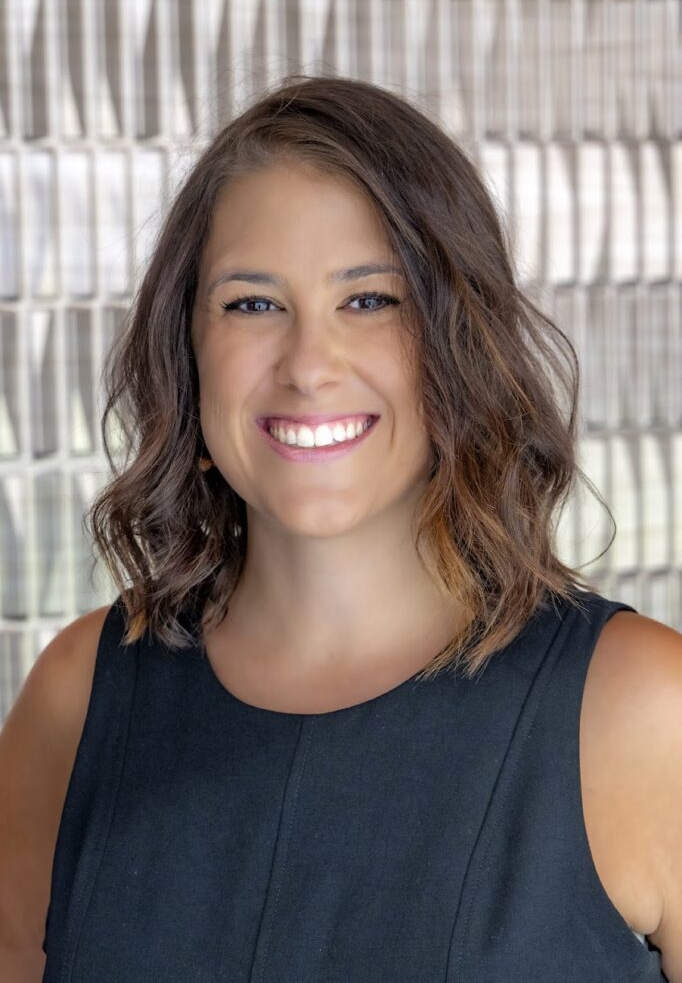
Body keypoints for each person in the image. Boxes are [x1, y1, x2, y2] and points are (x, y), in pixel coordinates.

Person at [0, 74, 680, 983]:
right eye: (252, 303)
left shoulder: (641, 709)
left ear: (456, 339)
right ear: (186, 349)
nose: (309, 364)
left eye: (370, 300)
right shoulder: (76, 699)